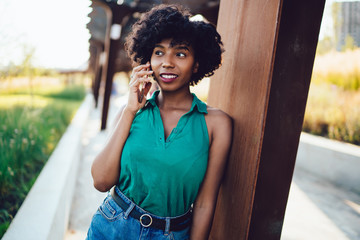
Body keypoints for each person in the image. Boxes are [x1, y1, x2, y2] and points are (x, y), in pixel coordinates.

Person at [87, 4, 232, 240]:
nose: (168, 62)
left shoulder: (216, 124)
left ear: (197, 63)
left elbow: (205, 203)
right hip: (111, 226)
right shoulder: (131, 112)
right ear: (148, 61)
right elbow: (101, 181)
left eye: (181, 53)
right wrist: (130, 110)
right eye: (159, 52)